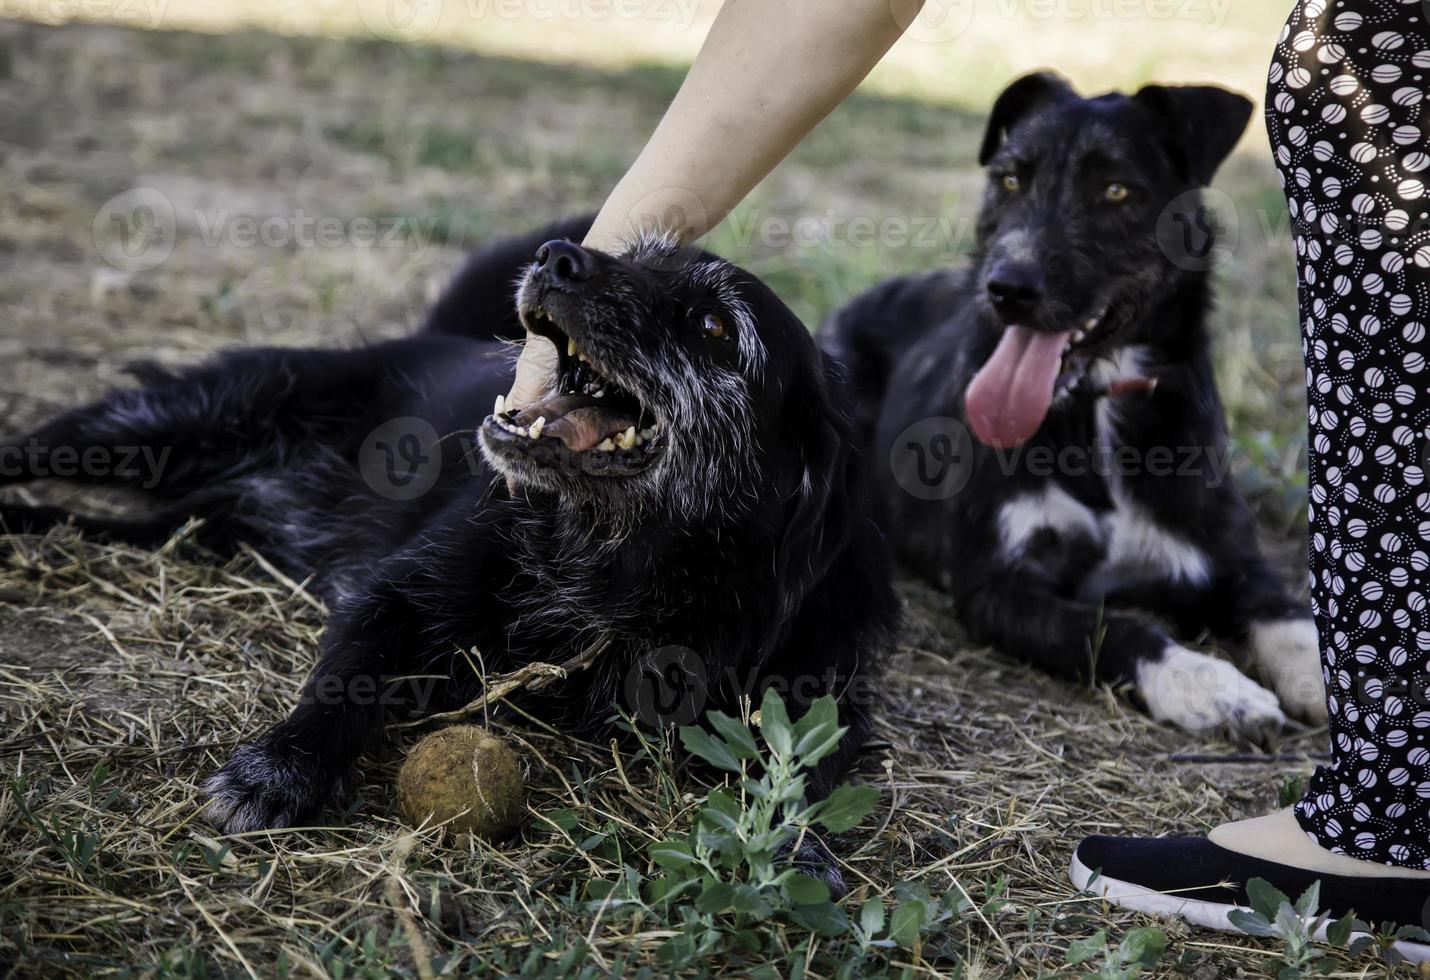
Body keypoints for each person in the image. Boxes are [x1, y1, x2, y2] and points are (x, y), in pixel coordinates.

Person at [504, 0, 1430, 946]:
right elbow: (990, 590)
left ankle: (1396, 792)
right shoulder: (908, 353)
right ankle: (1395, 802)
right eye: (1016, 183)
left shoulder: (1182, 433)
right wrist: (1148, 658)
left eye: (1113, 198)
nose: (1022, 249)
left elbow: (1236, 566)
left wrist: (1279, 631)